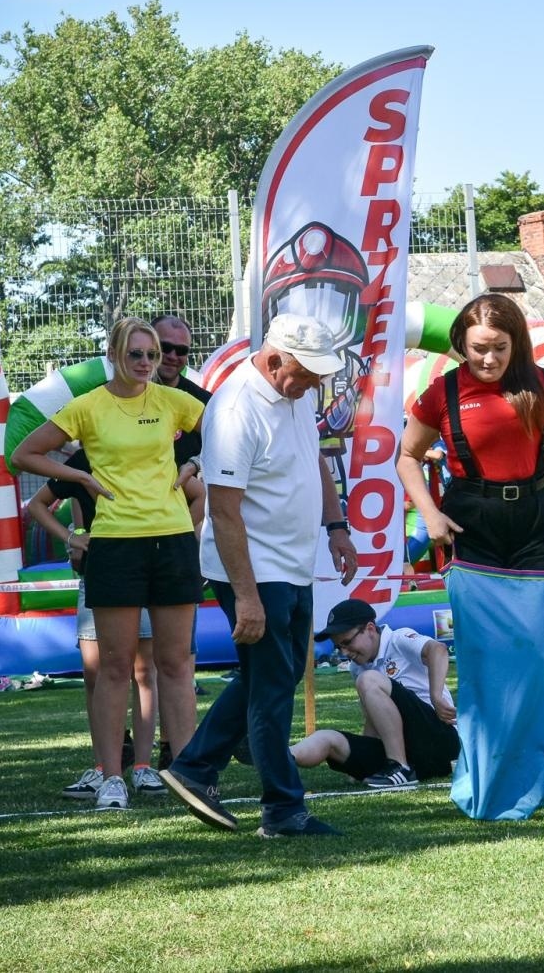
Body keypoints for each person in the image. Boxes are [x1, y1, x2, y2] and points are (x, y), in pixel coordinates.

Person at [397, 293, 544, 821]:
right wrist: (429, 516)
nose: (489, 359)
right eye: (479, 348)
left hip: (537, 525)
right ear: (461, 342)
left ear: (516, 344)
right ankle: (479, 785)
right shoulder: (441, 391)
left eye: (500, 348)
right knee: (483, 663)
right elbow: (407, 456)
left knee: (532, 665)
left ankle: (527, 787)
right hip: (472, 524)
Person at [159, 314, 357, 838]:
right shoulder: (233, 408)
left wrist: (336, 526)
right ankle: (284, 809)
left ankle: (196, 766)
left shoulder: (298, 393)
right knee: (272, 686)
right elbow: (223, 513)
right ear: (274, 360)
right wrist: (246, 598)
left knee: (279, 674)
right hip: (251, 566)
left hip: (291, 562)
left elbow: (313, 460)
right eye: (308, 373)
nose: (316, 383)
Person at [11, 317, 204, 811]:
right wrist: (84, 480)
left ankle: (187, 774)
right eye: (137, 354)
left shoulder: (174, 401)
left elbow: (232, 430)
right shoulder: (89, 405)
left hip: (173, 540)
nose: (146, 364)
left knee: (176, 664)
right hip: (114, 545)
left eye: (154, 355)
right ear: (116, 354)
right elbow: (24, 453)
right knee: (114, 667)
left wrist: (196, 465)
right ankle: (111, 776)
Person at [23, 462, 163, 799]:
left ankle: (143, 767)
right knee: (96, 673)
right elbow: (36, 503)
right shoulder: (82, 460)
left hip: (145, 569)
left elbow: (194, 494)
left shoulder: (146, 444)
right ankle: (104, 768)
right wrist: (73, 537)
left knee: (144, 672)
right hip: (97, 573)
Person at [293, 600, 458, 790]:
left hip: (441, 742)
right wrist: (360, 757)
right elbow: (375, 717)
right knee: (327, 737)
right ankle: (279, 757)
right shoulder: (358, 667)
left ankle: (399, 767)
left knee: (368, 678)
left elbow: (438, 650)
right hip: (410, 753)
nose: (344, 652)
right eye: (339, 647)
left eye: (347, 642)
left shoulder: (397, 638)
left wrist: (436, 696)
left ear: (370, 629)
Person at [151, 313, 211, 525]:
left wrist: (195, 464)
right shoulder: (119, 395)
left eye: (182, 350)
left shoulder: (203, 401)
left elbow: (225, 444)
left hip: (183, 514)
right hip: (125, 516)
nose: (173, 355)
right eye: (165, 347)